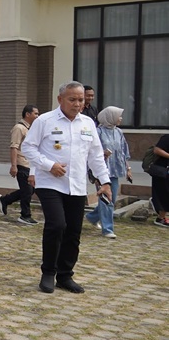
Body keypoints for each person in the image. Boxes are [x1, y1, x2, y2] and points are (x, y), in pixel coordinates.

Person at [22, 81, 111, 295]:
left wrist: (105, 181)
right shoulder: (45, 121)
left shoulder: (88, 123)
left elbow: (95, 155)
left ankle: (65, 275)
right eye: (72, 99)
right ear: (60, 99)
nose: (77, 104)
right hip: (50, 182)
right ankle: (48, 272)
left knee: (73, 231)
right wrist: (48, 165)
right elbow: (28, 147)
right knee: (56, 225)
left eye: (80, 100)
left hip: (77, 185)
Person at [85, 106, 131, 238]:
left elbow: (124, 151)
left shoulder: (119, 132)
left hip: (115, 170)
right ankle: (108, 229)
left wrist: (128, 169)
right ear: (110, 117)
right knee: (106, 199)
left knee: (112, 198)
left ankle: (92, 217)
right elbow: (92, 151)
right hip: (101, 170)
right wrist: (102, 154)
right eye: (118, 116)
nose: (120, 118)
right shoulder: (98, 132)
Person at [0, 105, 39, 225]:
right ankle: (25, 215)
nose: (37, 116)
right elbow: (14, 147)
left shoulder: (30, 128)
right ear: (27, 114)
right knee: (27, 191)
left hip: (29, 164)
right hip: (21, 163)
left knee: (30, 190)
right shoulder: (19, 128)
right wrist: (14, 165)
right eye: (35, 113)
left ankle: (5, 200)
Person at [151, 134, 169, 227]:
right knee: (164, 194)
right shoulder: (166, 138)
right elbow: (157, 150)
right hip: (163, 171)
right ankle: (161, 218)